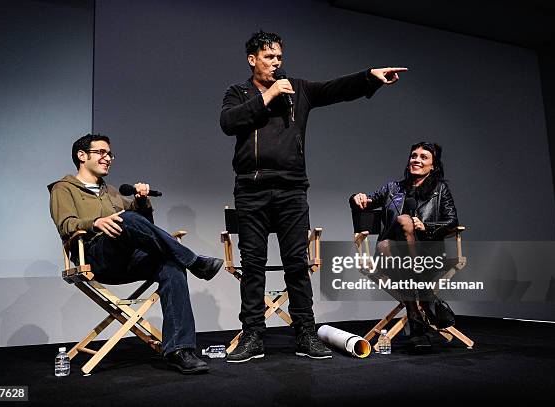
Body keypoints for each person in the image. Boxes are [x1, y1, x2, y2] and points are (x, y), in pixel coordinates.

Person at [220, 30, 407, 362]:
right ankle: (252, 336)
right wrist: (268, 96)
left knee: (297, 263)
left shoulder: (298, 89)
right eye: (269, 57)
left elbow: (334, 89)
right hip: (251, 190)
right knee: (253, 266)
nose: (276, 63)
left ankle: (305, 332)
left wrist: (369, 78)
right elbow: (228, 122)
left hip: (291, 189)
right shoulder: (239, 92)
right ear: (253, 60)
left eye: (279, 57)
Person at [48, 133, 224, 374]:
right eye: (101, 152)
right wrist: (95, 222)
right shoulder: (63, 188)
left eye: (109, 154)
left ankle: (180, 351)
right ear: (81, 156)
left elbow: (144, 227)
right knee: (127, 219)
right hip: (93, 255)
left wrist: (141, 201)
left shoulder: (110, 191)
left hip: (125, 258)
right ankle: (195, 261)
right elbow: (65, 224)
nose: (107, 158)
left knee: (171, 265)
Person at [350, 142, 458, 352]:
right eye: (413, 156)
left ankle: (416, 320)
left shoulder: (440, 189)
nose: (416, 160)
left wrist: (426, 227)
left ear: (433, 166)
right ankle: (426, 299)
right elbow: (365, 206)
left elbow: (452, 221)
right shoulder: (392, 188)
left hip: (427, 255)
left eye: (423, 157)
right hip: (393, 256)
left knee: (400, 228)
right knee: (390, 237)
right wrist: (356, 197)